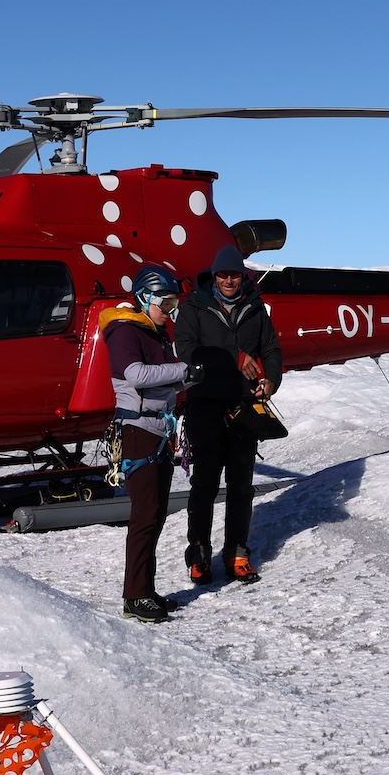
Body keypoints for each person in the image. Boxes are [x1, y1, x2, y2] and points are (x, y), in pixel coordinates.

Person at [174, 242, 283, 585]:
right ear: (214, 276)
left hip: (244, 407)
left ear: (242, 275)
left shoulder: (255, 308)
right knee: (204, 484)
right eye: (223, 275)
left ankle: (237, 553)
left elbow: (271, 349)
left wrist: (272, 381)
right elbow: (187, 349)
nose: (229, 281)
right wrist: (234, 357)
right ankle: (200, 555)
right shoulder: (194, 306)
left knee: (241, 485)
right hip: (205, 404)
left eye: (234, 274)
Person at [103, 265, 189, 623]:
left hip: (160, 431)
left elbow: (164, 381)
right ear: (144, 297)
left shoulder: (155, 332)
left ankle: (145, 589)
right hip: (138, 431)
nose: (169, 309)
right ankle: (134, 596)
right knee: (144, 515)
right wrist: (184, 370)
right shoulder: (125, 331)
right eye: (165, 301)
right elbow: (135, 375)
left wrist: (193, 379)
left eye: (173, 302)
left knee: (153, 515)